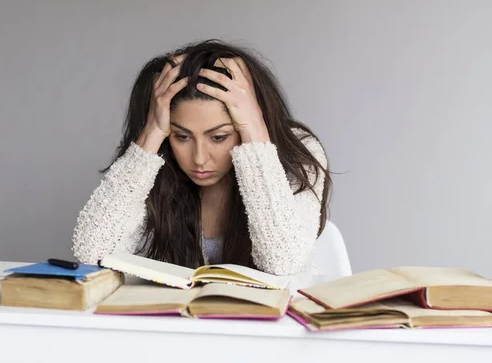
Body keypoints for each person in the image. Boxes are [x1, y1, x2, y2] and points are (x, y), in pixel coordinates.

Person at [71, 39, 332, 276]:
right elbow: (93, 254)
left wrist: (254, 133)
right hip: (180, 323)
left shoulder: (299, 153)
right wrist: (151, 133)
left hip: (270, 327)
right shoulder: (157, 156)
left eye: (218, 137)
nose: (199, 159)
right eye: (182, 136)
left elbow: (283, 262)